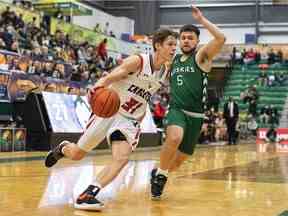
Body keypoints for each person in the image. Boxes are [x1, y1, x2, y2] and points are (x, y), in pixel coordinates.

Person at [44, 28, 177, 210]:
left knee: (121, 158)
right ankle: (63, 148)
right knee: (77, 154)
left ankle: (88, 194)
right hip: (109, 111)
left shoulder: (165, 72)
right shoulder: (138, 61)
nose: (173, 48)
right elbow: (113, 75)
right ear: (157, 45)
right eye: (170, 44)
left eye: (175, 45)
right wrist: (97, 88)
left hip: (129, 120)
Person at [150, 6, 226, 200]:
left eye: (190, 38)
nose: (186, 40)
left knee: (180, 159)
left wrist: (202, 20)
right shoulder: (172, 60)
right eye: (183, 37)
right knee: (174, 137)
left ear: (197, 41)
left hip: (197, 115)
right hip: (176, 109)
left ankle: (159, 172)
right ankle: (160, 177)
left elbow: (221, 39)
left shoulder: (201, 56)